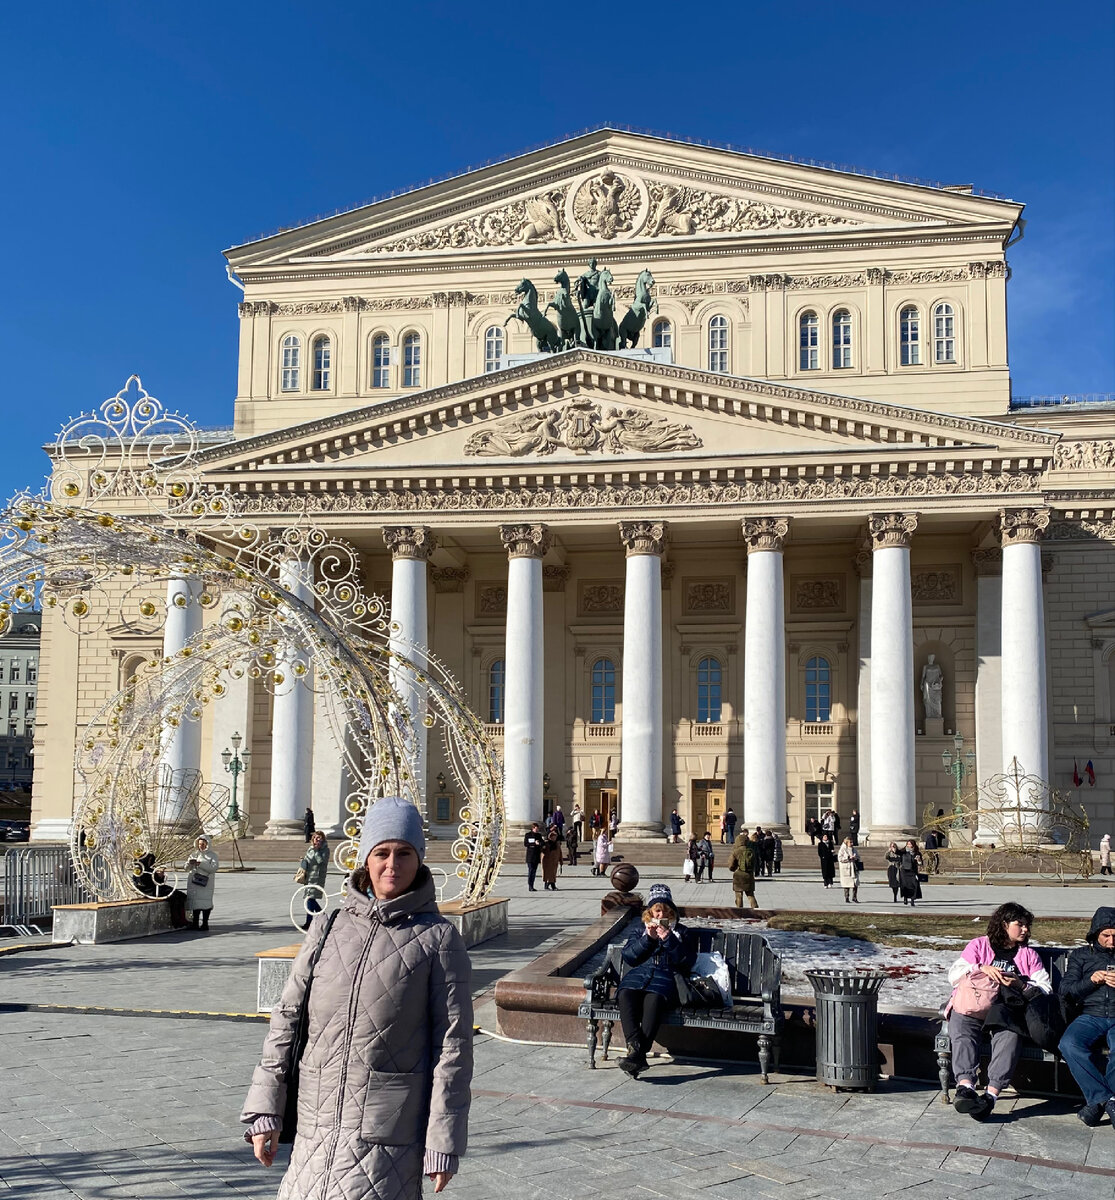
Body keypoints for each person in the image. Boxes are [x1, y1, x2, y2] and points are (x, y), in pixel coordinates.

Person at [242, 796, 472, 1197]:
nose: (392, 865)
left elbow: (452, 1048)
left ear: (419, 859)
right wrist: (265, 1108)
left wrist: (443, 1141)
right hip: (315, 1124)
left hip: (386, 1136)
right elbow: (287, 1019)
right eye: (381, 852)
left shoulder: (439, 939)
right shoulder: (329, 926)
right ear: (365, 858)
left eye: (404, 853)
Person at [946, 902, 1051, 1121]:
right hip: (974, 1005)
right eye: (1019, 924)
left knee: (1010, 1037)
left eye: (1027, 926)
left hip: (1007, 1011)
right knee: (961, 1026)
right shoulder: (978, 946)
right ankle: (965, 1087)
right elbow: (954, 976)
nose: (1025, 930)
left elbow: (1045, 988)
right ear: (1004, 924)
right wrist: (980, 967)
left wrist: (1020, 984)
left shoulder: (1028, 955)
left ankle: (990, 1096)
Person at [615, 884, 698, 1078]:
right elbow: (629, 957)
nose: (661, 915)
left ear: (672, 911)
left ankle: (636, 1054)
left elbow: (688, 962)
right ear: (650, 912)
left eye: (665, 911)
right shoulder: (640, 929)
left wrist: (669, 940)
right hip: (639, 976)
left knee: (653, 999)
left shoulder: (682, 932)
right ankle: (637, 1052)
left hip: (666, 978)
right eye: (657, 910)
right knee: (625, 993)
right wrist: (648, 940)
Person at [1058, 906, 1115, 1126]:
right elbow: (1066, 990)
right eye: (1106, 936)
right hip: (1090, 1015)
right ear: (1095, 934)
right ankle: (1107, 1099)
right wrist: (1091, 980)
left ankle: (1097, 1104)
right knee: (1069, 1044)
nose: (1111, 941)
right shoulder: (1082, 956)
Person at [185, 835, 219, 931]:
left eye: (203, 844)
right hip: (194, 882)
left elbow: (214, 868)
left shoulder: (212, 855)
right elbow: (185, 868)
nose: (201, 846)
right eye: (200, 844)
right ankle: (195, 923)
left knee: (205, 903)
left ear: (207, 844)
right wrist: (189, 864)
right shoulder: (194, 854)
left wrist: (201, 864)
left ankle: (205, 923)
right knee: (195, 903)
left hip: (206, 883)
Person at [297, 830, 330, 930]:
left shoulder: (325, 850)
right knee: (309, 899)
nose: (317, 840)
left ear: (323, 839)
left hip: (317, 878)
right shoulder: (310, 848)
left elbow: (321, 862)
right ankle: (323, 918)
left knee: (310, 899)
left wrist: (317, 850)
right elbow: (308, 860)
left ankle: (310, 921)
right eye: (315, 838)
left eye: (319, 838)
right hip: (309, 877)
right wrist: (303, 861)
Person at [729, 832, 758, 909]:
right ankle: (756, 910)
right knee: (750, 895)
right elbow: (755, 862)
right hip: (749, 875)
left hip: (738, 875)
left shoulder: (736, 851)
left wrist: (733, 869)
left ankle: (740, 911)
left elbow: (731, 865)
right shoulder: (751, 851)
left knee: (739, 895)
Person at [898, 839, 924, 906]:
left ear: (913, 845)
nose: (909, 845)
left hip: (913, 871)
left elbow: (920, 864)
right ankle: (905, 898)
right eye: (908, 844)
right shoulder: (903, 852)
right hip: (904, 871)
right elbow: (897, 853)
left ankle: (912, 900)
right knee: (905, 885)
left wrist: (919, 860)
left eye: (911, 844)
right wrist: (893, 848)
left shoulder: (917, 853)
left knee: (914, 885)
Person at [837, 836, 861, 903]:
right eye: (850, 842)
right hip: (846, 869)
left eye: (852, 842)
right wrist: (848, 858)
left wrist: (855, 857)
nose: (852, 843)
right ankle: (846, 897)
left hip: (854, 868)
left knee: (855, 884)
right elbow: (839, 858)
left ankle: (854, 897)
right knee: (846, 884)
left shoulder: (854, 849)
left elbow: (858, 857)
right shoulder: (842, 849)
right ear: (846, 842)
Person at [523, 822, 545, 892]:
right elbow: (526, 844)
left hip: (536, 855)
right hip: (530, 856)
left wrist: (540, 843)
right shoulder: (528, 835)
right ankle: (530, 885)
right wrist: (534, 843)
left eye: (538, 828)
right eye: (536, 828)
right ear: (533, 828)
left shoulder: (538, 835)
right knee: (531, 870)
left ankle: (532, 885)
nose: (537, 830)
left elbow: (542, 842)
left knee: (534, 871)